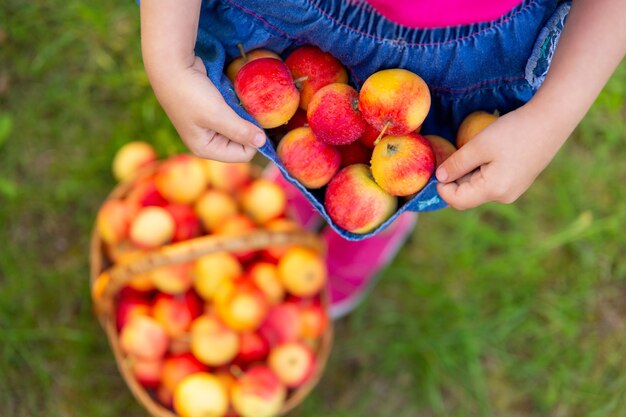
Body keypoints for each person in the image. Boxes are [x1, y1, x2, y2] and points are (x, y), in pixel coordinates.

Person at [139, 0, 626, 316]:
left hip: (461, 57)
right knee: (309, 136)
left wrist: (554, 114)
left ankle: (375, 228)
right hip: (290, 18)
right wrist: (168, 55)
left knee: (406, 171)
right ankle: (306, 186)